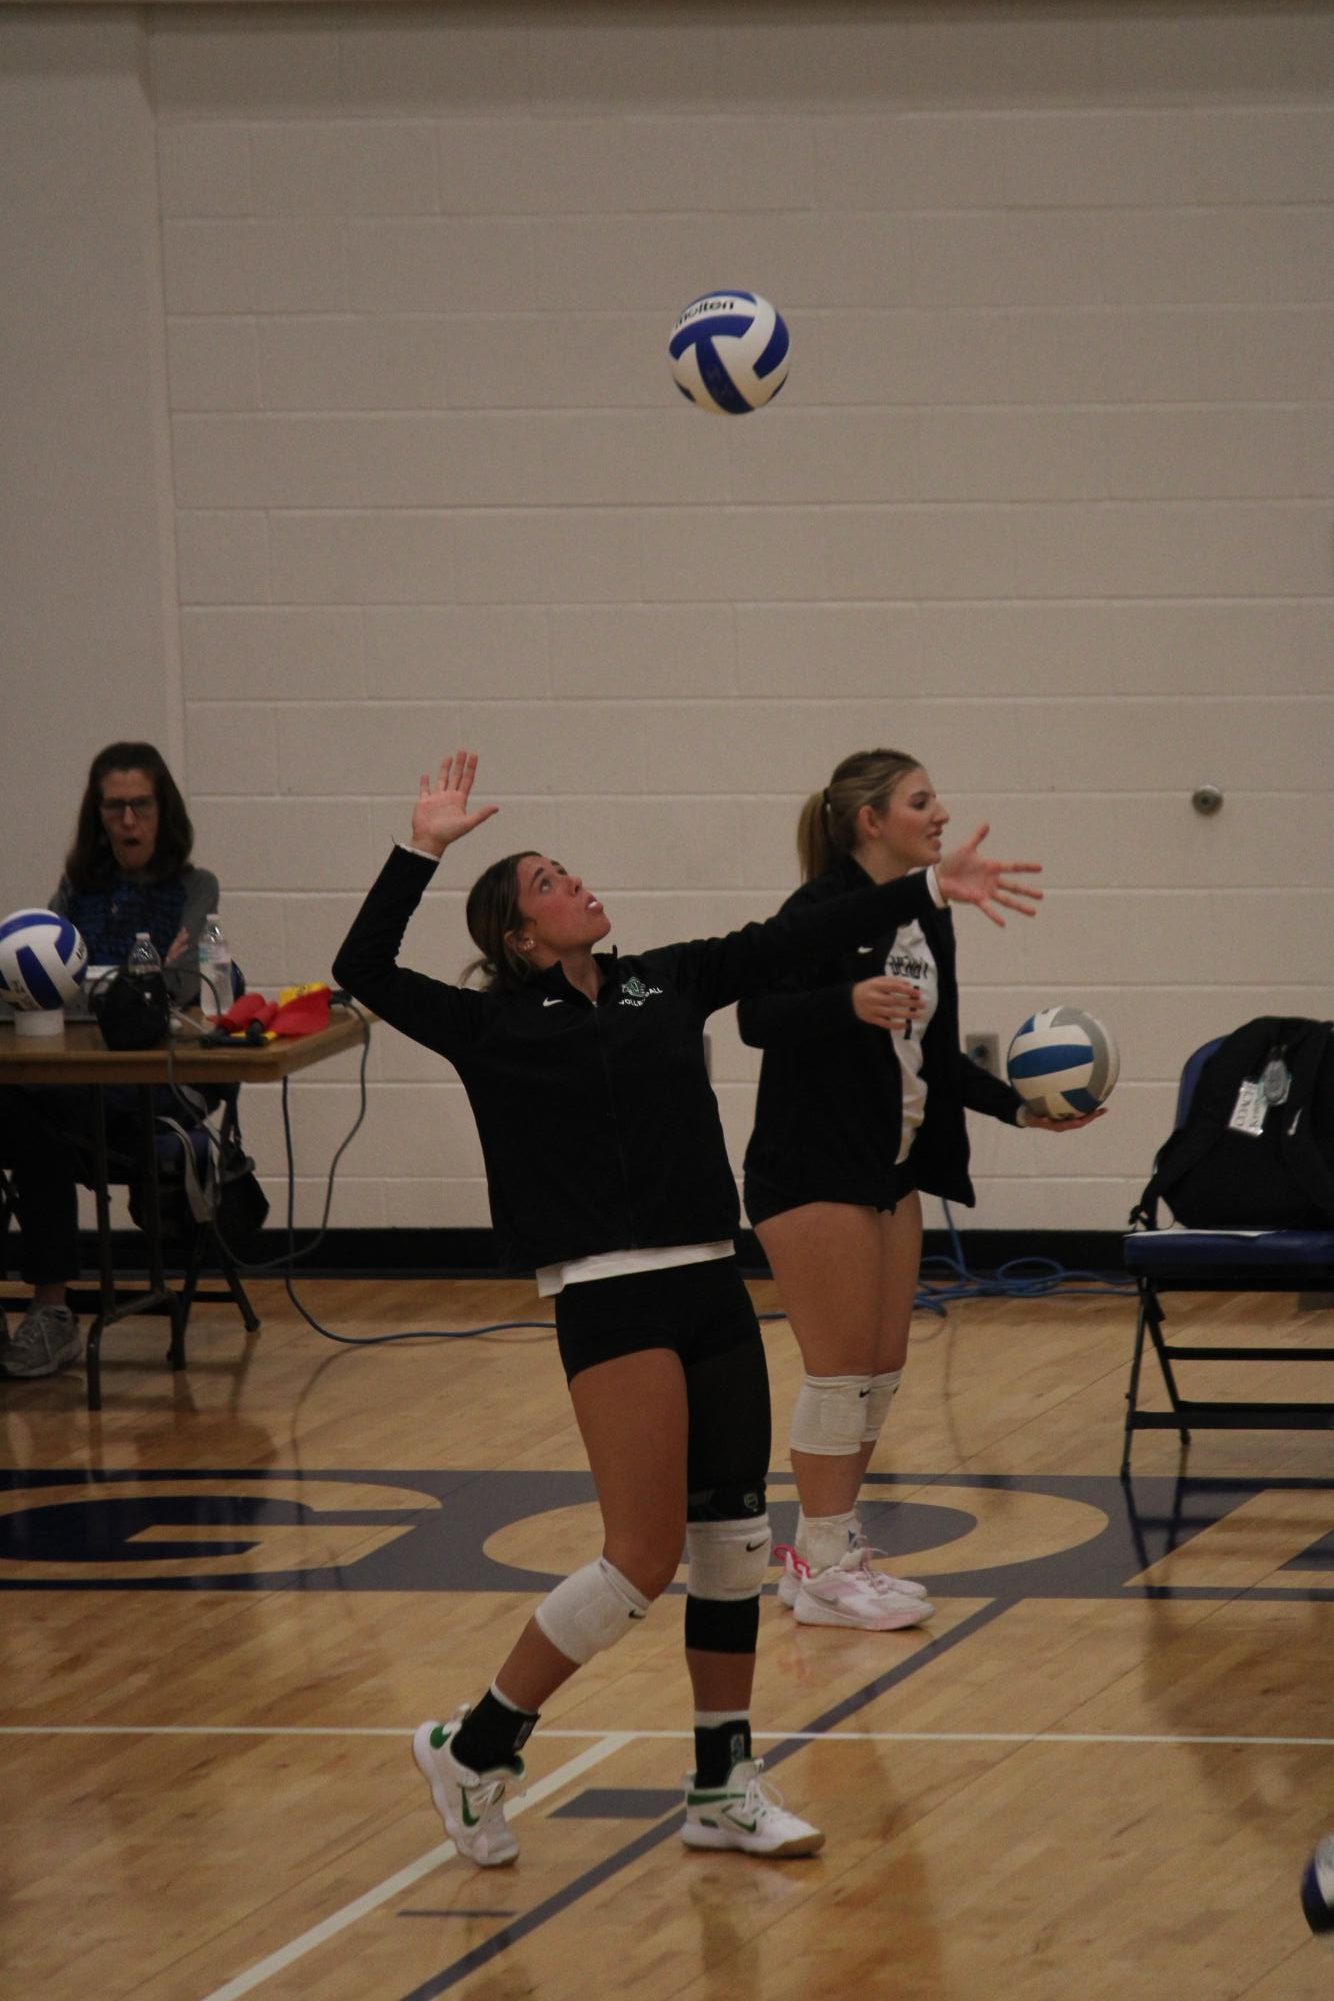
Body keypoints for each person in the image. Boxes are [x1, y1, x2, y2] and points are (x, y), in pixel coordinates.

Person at [332, 749, 1042, 1869]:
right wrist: (420, 849)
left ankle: (721, 1783)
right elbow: (362, 965)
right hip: (606, 1299)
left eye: (571, 871)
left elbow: (777, 949)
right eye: (548, 884)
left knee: (730, 1550)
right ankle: (472, 1747)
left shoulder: (660, 979)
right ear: (519, 938)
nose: (578, 886)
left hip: (711, 1281)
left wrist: (924, 888)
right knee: (638, 1558)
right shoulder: (491, 1029)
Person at [738, 749, 1102, 1632]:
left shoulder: (926, 921)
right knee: (839, 1374)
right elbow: (752, 1015)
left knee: (882, 1372)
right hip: (809, 1167)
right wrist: (844, 1003)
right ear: (871, 820)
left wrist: (1020, 1110)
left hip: (887, 1169)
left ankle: (824, 1548)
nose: (940, 813)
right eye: (921, 800)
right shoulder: (815, 912)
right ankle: (824, 1563)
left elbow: (935, 1061)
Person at [0, 742, 219, 1380]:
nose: (127, 821)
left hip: (140, 1090)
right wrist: (122, 981)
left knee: (35, 1128)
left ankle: (52, 1312)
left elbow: (175, 988)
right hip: (65, 1079)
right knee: (19, 1112)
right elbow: (35, 979)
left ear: (162, 811)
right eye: (114, 807)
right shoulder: (77, 889)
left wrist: (94, 982)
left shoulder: (193, 887)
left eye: (140, 806)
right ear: (97, 814)